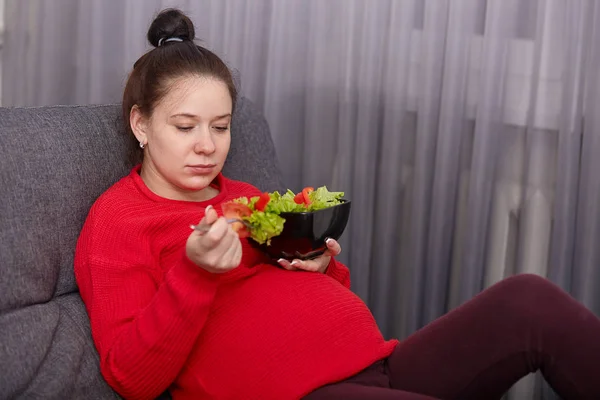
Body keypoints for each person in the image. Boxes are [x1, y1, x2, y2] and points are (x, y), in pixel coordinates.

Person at [74, 8, 600, 400]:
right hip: (300, 393)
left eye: (222, 126)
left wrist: (319, 267)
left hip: (376, 367)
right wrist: (195, 274)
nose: (207, 145)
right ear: (141, 124)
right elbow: (131, 376)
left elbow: (302, 292)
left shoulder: (246, 199)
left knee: (529, 301)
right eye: (185, 127)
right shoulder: (119, 222)